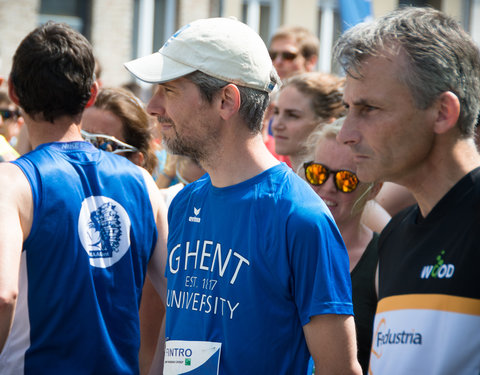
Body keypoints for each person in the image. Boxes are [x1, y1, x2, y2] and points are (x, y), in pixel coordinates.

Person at [125, 17, 362, 374]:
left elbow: (339, 369)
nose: (153, 107)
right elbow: (175, 334)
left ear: (226, 100)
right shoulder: (184, 204)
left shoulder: (299, 217)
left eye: (169, 90)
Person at [0, 21, 168, 374]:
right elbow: (184, 299)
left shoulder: (11, 182)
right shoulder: (142, 181)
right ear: (92, 94)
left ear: (13, 93)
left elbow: (3, 296)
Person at [334, 6, 480, 374]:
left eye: (368, 109)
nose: (345, 133)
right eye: (348, 107)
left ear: (443, 112)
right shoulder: (396, 234)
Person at [303, 118, 383, 374]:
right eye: (318, 173)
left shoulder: (384, 260)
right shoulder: (279, 246)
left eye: (346, 180)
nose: (327, 187)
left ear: (373, 189)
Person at [272, 71, 346, 172]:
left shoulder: (332, 184)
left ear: (327, 123)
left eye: (292, 115)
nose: (276, 125)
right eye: (276, 112)